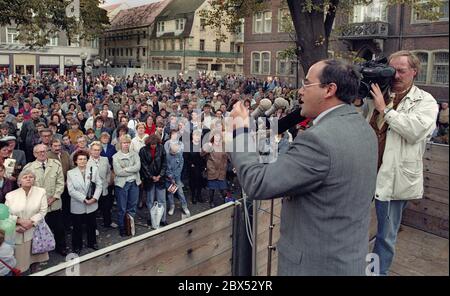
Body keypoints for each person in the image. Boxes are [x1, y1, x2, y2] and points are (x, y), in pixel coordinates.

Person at [229, 59, 378, 275]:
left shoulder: (319, 140)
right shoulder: (364, 130)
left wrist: (240, 132)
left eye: (306, 84)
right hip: (348, 258)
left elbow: (258, 183)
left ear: (329, 89)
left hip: (314, 265)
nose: (300, 91)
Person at [366, 50, 439, 276]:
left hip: (394, 180)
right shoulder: (379, 94)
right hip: (366, 174)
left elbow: (415, 131)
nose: (396, 75)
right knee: (356, 229)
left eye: (402, 71)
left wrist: (384, 109)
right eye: (392, 70)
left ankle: (376, 274)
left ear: (414, 72)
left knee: (385, 237)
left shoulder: (425, 101)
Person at [22, 144, 67, 256]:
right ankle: (42, 250)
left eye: (44, 151)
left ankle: (61, 247)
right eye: (39, 152)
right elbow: (25, 187)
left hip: (54, 203)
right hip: (38, 206)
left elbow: (60, 182)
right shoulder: (29, 168)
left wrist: (54, 197)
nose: (42, 153)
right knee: (39, 229)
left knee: (59, 228)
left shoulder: (56, 164)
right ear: (34, 154)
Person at [5, 170, 48, 273]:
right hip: (18, 231)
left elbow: (43, 211)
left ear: (34, 180)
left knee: (35, 260)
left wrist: (30, 222)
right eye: (25, 177)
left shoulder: (41, 192)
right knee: (20, 263)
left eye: (31, 177)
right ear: (19, 181)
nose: (28, 178)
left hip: (35, 231)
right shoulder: (10, 195)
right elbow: (6, 215)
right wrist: (18, 221)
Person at [67, 150, 102, 254]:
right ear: (75, 161)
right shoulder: (70, 173)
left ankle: (92, 242)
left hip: (92, 203)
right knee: (77, 227)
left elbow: (99, 185)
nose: (82, 161)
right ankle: (77, 246)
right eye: (80, 159)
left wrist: (94, 198)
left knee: (91, 224)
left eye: (84, 159)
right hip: (78, 203)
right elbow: (71, 190)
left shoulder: (94, 170)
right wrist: (84, 199)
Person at [113, 135, 141, 237]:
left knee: (132, 206)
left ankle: (130, 225)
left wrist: (126, 169)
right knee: (122, 208)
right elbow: (118, 172)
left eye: (128, 143)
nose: (126, 145)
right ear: (120, 144)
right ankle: (122, 227)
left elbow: (138, 167)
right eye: (124, 143)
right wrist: (131, 170)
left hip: (134, 183)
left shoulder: (135, 154)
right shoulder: (115, 157)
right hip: (122, 185)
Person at [139, 134, 168, 227]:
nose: (153, 146)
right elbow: (144, 166)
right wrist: (151, 176)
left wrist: (160, 175)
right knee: (150, 200)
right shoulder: (143, 150)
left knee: (162, 200)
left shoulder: (161, 148)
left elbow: (164, 163)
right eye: (152, 144)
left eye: (155, 144)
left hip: (160, 178)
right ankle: (151, 218)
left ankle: (163, 219)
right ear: (148, 143)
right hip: (149, 179)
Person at [88, 141, 116, 229]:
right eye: (94, 150)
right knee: (93, 210)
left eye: (98, 150)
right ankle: (94, 228)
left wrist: (108, 181)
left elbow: (108, 172)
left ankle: (108, 222)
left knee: (106, 207)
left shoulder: (105, 159)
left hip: (104, 187)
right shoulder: (86, 162)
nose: (96, 152)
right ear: (91, 151)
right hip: (93, 190)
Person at [201, 131, 229, 208]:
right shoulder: (209, 145)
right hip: (212, 170)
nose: (217, 137)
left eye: (218, 136)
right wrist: (207, 147)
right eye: (215, 136)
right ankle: (211, 201)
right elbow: (201, 154)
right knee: (212, 189)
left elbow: (229, 156)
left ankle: (225, 201)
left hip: (221, 170)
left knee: (223, 189)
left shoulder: (224, 145)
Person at [165, 142, 190, 217]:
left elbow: (180, 167)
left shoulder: (179, 155)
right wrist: (170, 177)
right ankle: (172, 206)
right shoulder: (166, 156)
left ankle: (184, 206)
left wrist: (175, 176)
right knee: (170, 193)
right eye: (173, 151)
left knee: (180, 192)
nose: (174, 153)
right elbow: (166, 168)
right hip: (169, 179)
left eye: (175, 151)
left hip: (177, 177)